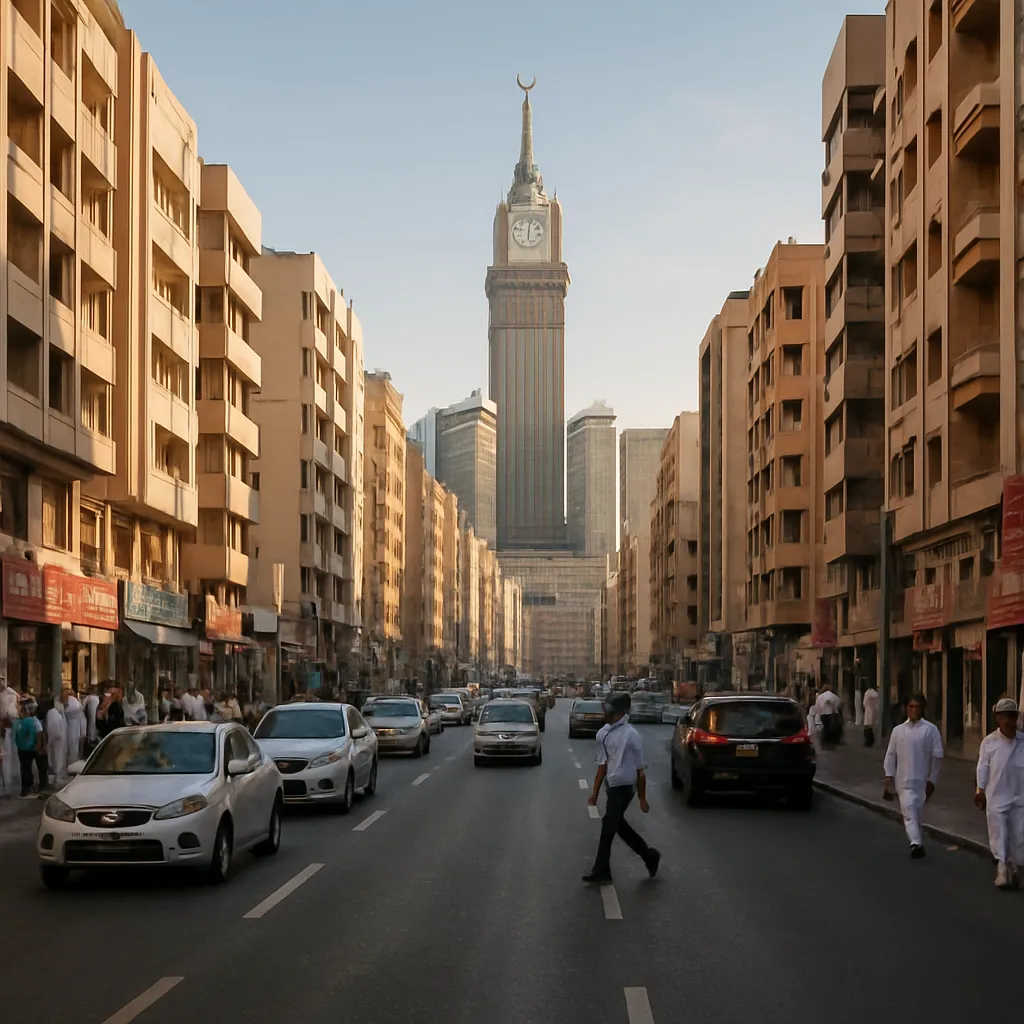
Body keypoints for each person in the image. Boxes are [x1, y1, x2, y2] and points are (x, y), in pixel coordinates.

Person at [583, 692, 661, 884]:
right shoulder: (602, 733)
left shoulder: (631, 735)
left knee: (609, 824)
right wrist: (594, 793)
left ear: (618, 712)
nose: (604, 713)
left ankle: (601, 870)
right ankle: (649, 855)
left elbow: (640, 771)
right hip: (612, 785)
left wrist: (642, 798)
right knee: (619, 826)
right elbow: (602, 765)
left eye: (608, 710)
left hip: (625, 788)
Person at [883, 693, 943, 859]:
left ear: (923, 709)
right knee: (909, 812)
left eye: (917, 707)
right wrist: (889, 775)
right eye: (911, 707)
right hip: (903, 781)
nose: (914, 710)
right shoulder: (898, 731)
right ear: (906, 709)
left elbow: (937, 756)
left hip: (921, 781)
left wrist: (933, 780)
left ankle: (917, 839)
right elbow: (890, 755)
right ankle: (916, 843)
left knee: (917, 813)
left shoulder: (931, 730)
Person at [974, 697, 1024, 890]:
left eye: (1014, 716)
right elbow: (982, 767)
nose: (1011, 721)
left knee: (1019, 836)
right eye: (1007, 717)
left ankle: (1015, 867)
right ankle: (1002, 868)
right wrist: (980, 789)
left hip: (1020, 797)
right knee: (999, 834)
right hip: (996, 796)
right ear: (998, 719)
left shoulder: (1022, 741)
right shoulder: (989, 742)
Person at [14, 700, 45, 798]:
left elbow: (38, 734)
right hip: (25, 748)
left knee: (27, 769)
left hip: (29, 748)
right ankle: (27, 788)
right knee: (25, 769)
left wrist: (38, 746)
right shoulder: (22, 721)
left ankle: (32, 787)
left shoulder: (32, 721)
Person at [44, 696, 67, 785]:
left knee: (56, 758)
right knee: (56, 758)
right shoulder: (53, 713)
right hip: (57, 740)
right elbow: (54, 729)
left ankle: (56, 776)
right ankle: (57, 777)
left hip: (57, 739)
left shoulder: (56, 713)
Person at [814, 680, 842, 747]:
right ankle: (831, 738)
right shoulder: (834, 696)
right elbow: (838, 703)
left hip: (823, 714)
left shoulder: (820, 697)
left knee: (826, 726)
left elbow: (817, 705)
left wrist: (819, 712)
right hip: (832, 713)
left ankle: (826, 738)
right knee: (831, 726)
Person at [64, 688, 86, 765]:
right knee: (73, 746)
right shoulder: (76, 702)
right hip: (75, 726)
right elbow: (82, 718)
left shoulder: (72, 701)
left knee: (71, 746)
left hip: (71, 726)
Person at [83, 685, 100, 753]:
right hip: (91, 716)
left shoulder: (97, 697)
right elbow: (83, 707)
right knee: (92, 725)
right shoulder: (88, 697)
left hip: (96, 715)